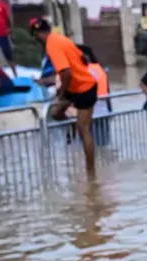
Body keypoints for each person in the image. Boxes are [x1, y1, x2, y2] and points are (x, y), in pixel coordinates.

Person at [30, 19, 97, 176]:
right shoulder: (62, 39)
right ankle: (74, 122)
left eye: (35, 36)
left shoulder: (52, 45)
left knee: (84, 131)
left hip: (84, 87)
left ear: (36, 34)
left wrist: (61, 94)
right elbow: (84, 58)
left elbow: (65, 72)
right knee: (54, 113)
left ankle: (90, 172)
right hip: (73, 86)